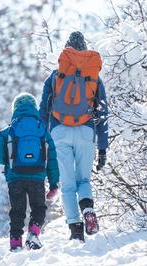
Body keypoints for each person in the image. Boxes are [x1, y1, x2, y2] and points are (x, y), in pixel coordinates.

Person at [39, 31, 109, 242]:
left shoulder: (55, 76)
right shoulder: (94, 76)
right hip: (86, 131)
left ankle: (76, 231)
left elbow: (43, 111)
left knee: (68, 184)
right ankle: (88, 209)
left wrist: (44, 142)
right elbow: (103, 112)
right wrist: (103, 147)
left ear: (67, 49)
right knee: (84, 179)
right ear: (85, 49)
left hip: (59, 132)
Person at [0, 93, 60, 251]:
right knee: (39, 208)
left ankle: (15, 243)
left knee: (17, 211)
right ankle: (33, 234)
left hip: (15, 177)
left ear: (15, 108)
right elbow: (52, 158)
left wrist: (9, 160)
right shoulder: (42, 130)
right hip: (37, 177)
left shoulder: (8, 131)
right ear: (34, 108)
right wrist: (54, 183)